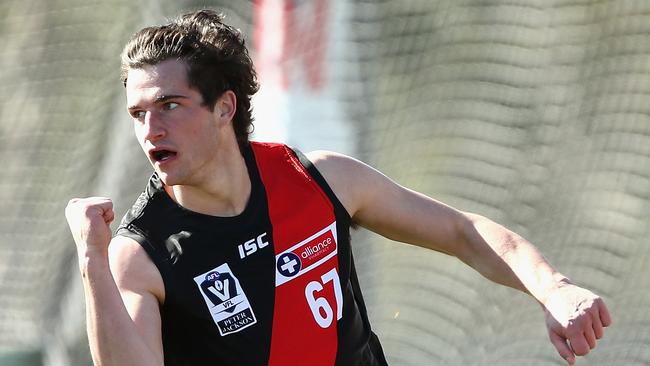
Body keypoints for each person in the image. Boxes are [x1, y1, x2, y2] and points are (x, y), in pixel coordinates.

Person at [64, 9, 611, 366]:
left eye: (170, 106)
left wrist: (554, 288)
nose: (150, 129)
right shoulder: (139, 254)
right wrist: (91, 260)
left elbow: (462, 231)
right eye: (138, 113)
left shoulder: (320, 179)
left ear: (224, 107)